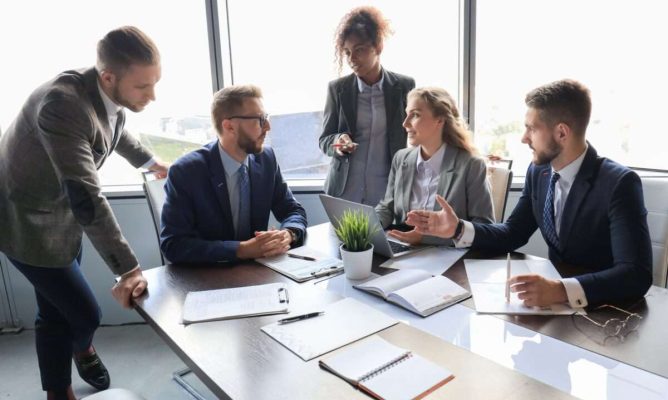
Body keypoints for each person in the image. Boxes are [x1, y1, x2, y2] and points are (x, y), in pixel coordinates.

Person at [0, 26, 168, 400]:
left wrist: (151, 162)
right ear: (109, 76)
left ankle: (57, 390)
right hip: (26, 218)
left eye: (154, 83)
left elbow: (114, 129)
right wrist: (128, 267)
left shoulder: (104, 90)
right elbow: (86, 195)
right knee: (85, 313)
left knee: (54, 311)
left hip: (63, 212)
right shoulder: (62, 106)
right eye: (143, 87)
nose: (152, 96)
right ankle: (82, 348)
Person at [406, 79, 652, 308]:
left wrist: (560, 291)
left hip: (607, 312)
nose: (524, 138)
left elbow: (635, 275)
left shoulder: (619, 183)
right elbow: (513, 233)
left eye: (531, 129)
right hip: (552, 310)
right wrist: (458, 228)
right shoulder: (539, 172)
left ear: (562, 133)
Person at [160, 84, 307, 263]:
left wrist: (288, 233)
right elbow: (173, 245)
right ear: (229, 126)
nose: (267, 127)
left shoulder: (266, 159)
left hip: (258, 273)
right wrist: (241, 250)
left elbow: (293, 210)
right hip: (208, 277)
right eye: (260, 119)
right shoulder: (186, 172)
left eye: (266, 118)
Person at [319, 6, 415, 206]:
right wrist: (338, 142)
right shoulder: (337, 89)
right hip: (345, 191)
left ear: (378, 46)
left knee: (385, 238)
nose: (352, 59)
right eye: (347, 52)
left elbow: (417, 136)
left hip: (387, 193)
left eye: (359, 50)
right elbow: (324, 140)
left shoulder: (404, 86)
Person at [376, 87, 494, 245]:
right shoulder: (401, 158)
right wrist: (366, 227)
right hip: (404, 251)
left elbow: (484, 227)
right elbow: (387, 207)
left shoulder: (471, 165)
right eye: (407, 114)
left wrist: (424, 237)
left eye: (416, 115)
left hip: (450, 258)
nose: (405, 123)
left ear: (440, 120)